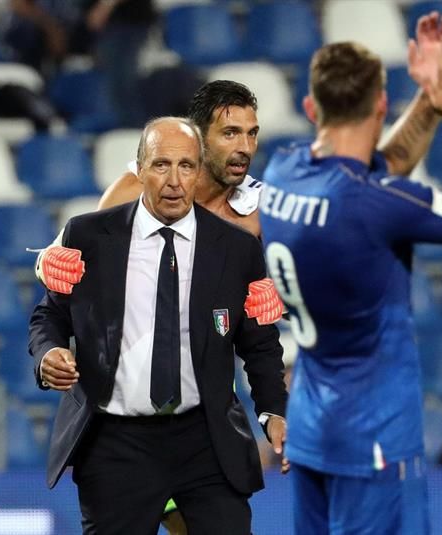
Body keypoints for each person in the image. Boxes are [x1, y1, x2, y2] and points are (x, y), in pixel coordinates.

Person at [258, 26, 442, 534]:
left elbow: (382, 163)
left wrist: (428, 101)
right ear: (381, 106)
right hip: (374, 438)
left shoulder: (284, 171)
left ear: (312, 109)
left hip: (314, 427)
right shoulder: (376, 203)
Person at [37, 11, 442, 293]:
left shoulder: (262, 208)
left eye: (251, 134)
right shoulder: (133, 193)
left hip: (207, 400)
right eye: (229, 134)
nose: (244, 148)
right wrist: (49, 264)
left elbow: (377, 172)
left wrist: (430, 101)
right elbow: (58, 256)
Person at [28, 117, 289, 534]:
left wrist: (274, 409)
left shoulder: (236, 249)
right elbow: (50, 316)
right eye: (161, 165)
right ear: (139, 170)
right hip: (117, 444)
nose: (174, 181)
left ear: (200, 172)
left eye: (186, 166)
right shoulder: (90, 236)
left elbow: (259, 343)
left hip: (205, 439)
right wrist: (48, 356)